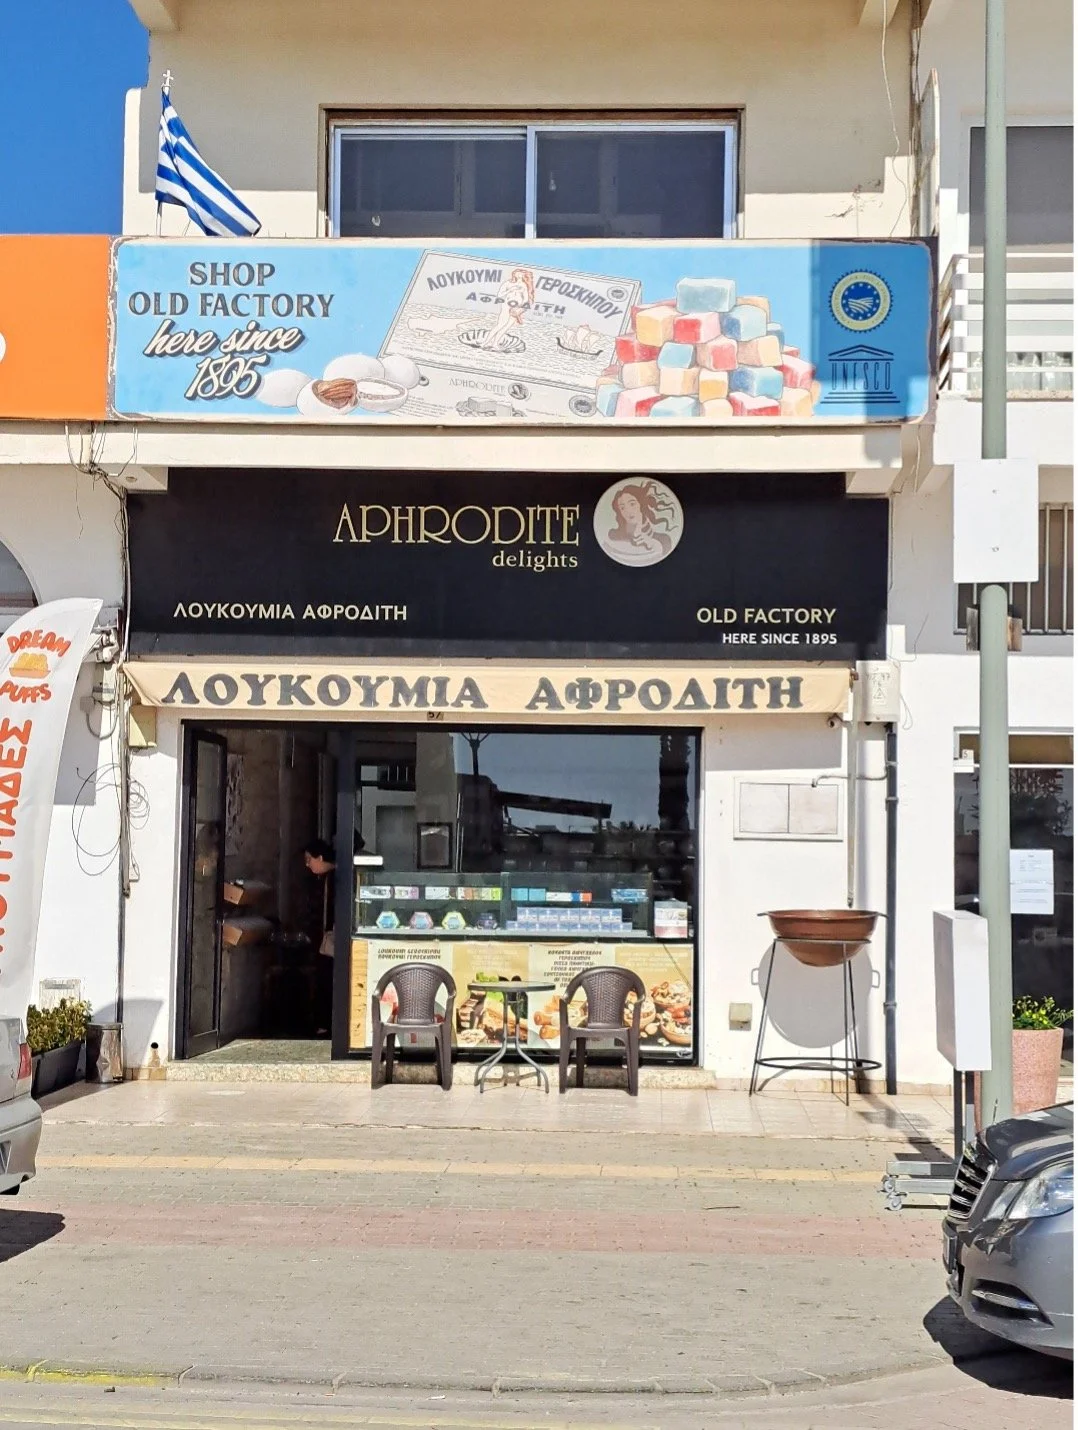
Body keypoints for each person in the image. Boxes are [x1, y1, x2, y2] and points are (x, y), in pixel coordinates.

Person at [303, 838, 336, 1037]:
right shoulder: (323, 880)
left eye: (309, 859)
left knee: (327, 978)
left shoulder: (335, 879)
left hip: (333, 939)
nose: (307, 865)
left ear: (320, 858)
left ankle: (325, 1023)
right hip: (326, 938)